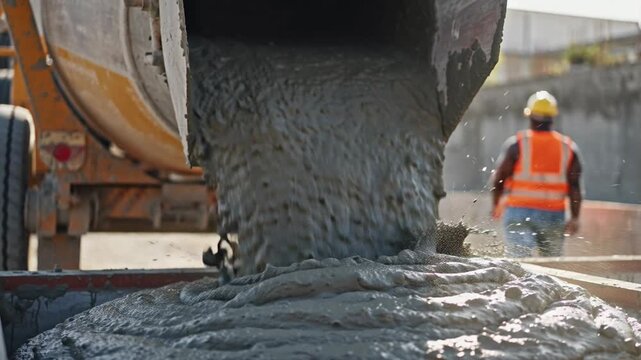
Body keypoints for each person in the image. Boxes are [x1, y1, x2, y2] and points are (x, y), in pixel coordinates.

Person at [491, 91, 582, 258]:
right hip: (553, 215)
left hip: (519, 212)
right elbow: (574, 186)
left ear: (530, 115)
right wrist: (575, 217)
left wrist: (496, 204)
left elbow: (499, 179)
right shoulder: (568, 148)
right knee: (553, 268)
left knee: (519, 264)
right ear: (552, 117)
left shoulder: (516, 145)